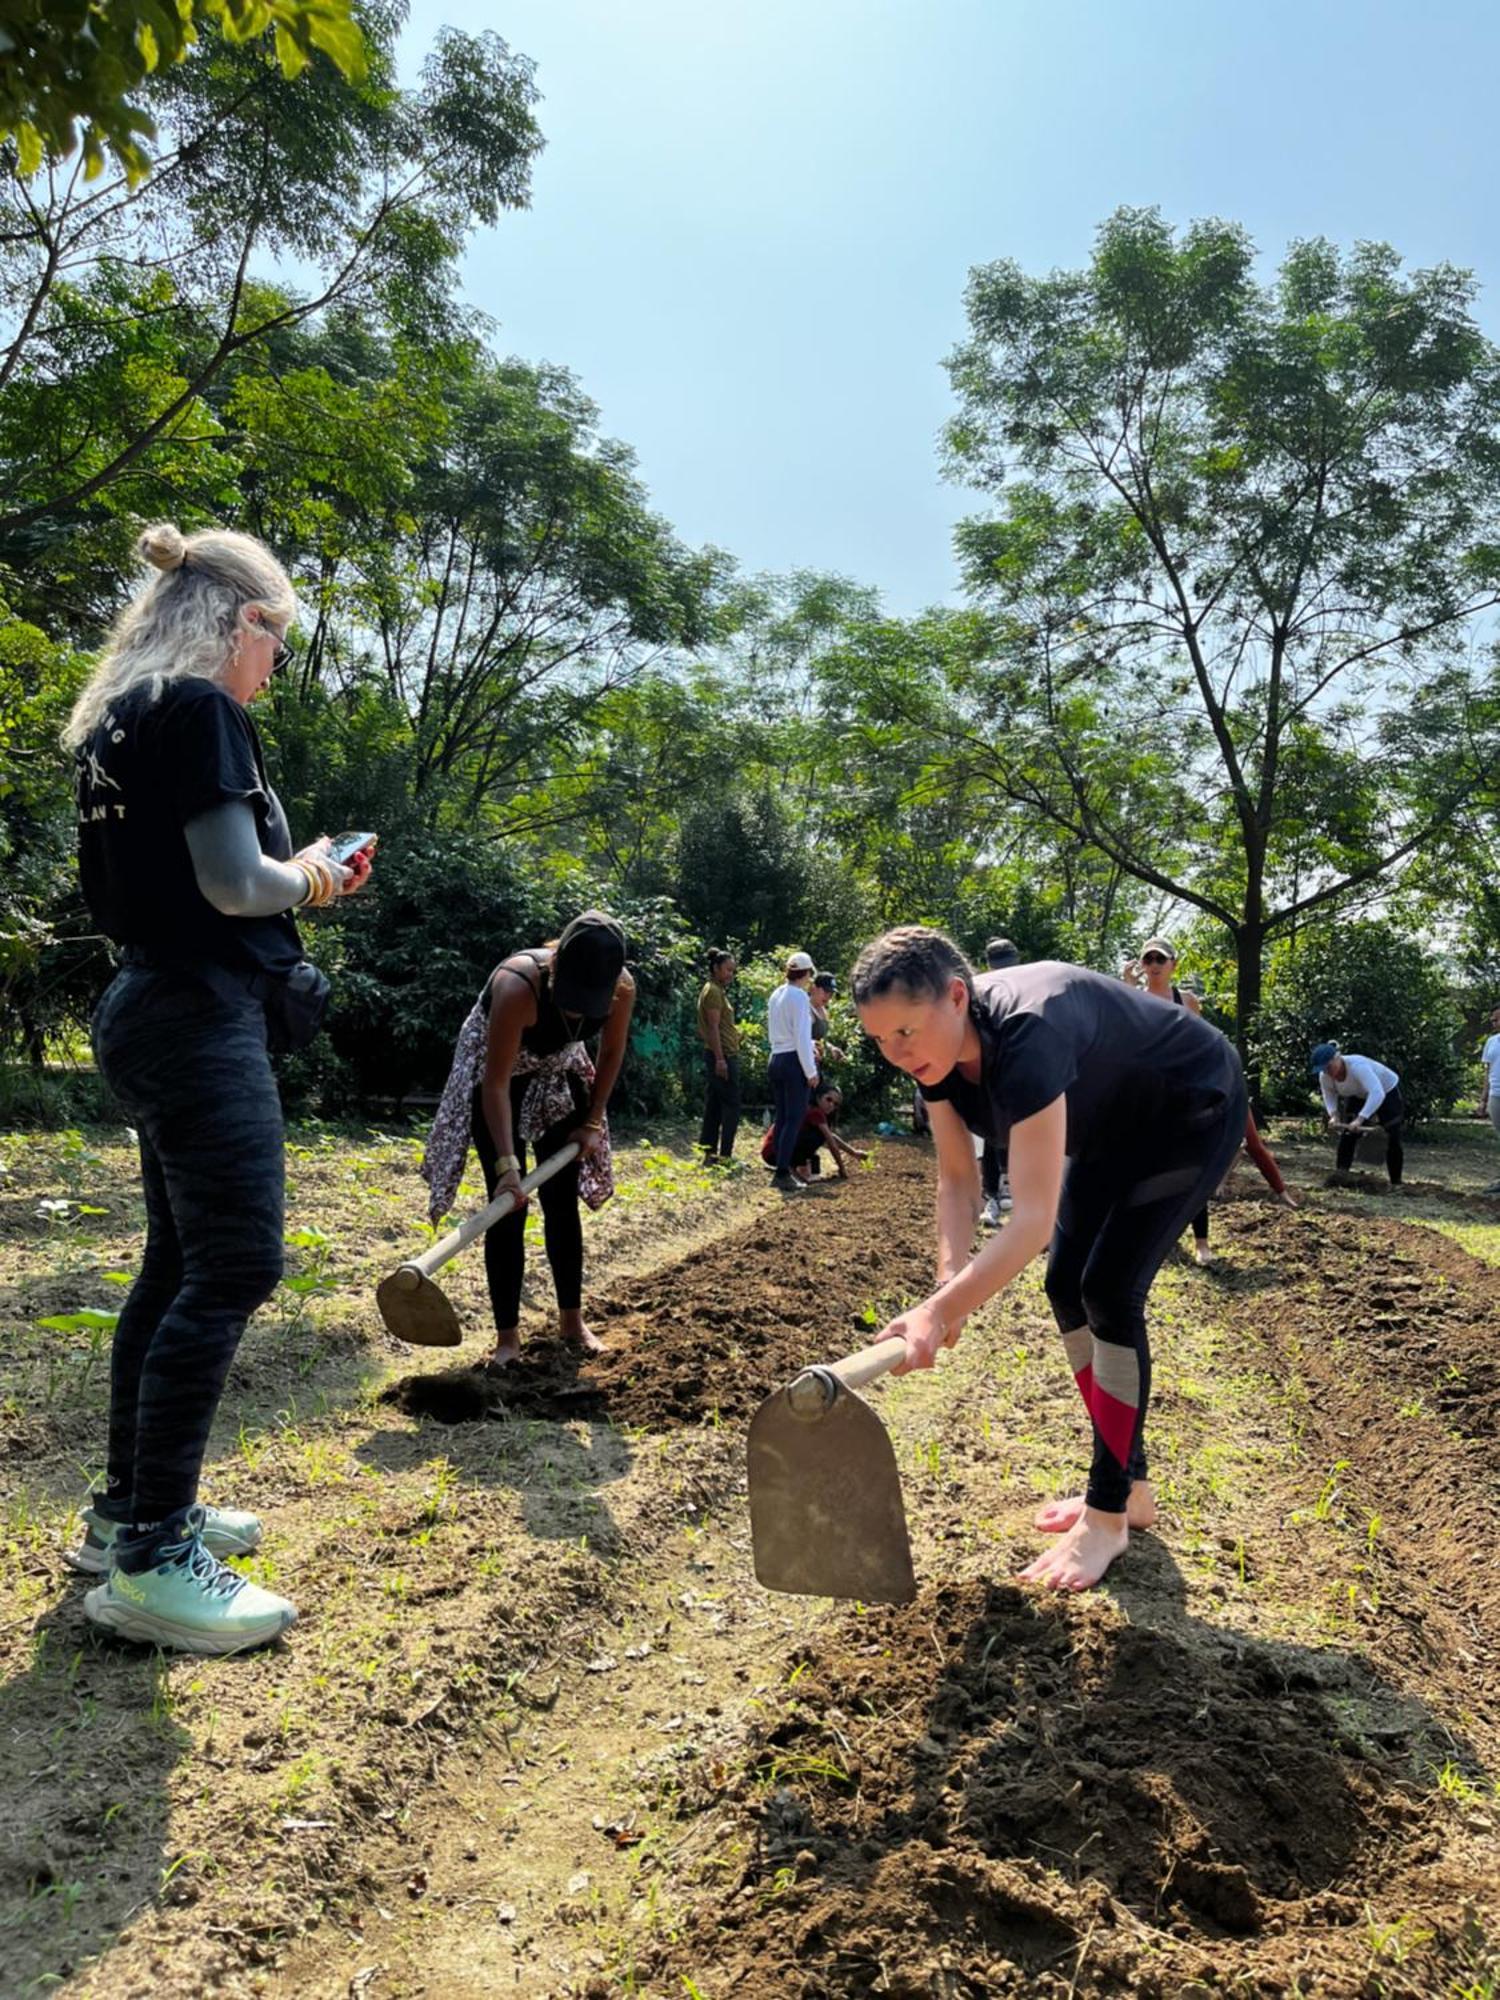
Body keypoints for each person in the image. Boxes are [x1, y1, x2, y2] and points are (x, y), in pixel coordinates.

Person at [60, 521, 372, 1655]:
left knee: (175, 1265)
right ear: (241, 620)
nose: (274, 669)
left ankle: (127, 1511)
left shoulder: (119, 718)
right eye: (275, 644)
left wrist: (296, 870)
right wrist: (320, 875)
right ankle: (151, 1560)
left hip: (147, 1003)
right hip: (197, 1015)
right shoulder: (203, 710)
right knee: (235, 1262)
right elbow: (240, 883)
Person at [853, 926, 1246, 1592]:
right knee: (1067, 1284)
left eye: (906, 1032)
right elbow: (957, 1179)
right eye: (880, 1040)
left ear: (956, 997)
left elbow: (1031, 1221)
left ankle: (1108, 1513)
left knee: (1109, 1288)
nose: (896, 1053)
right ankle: (1134, 1487)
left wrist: (939, 1312)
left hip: (1190, 1107)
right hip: (1111, 1127)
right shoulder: (938, 1062)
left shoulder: (1027, 1036)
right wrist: (948, 1289)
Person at [423, 912, 635, 1366]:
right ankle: (507, 1339)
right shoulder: (518, 986)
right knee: (508, 1210)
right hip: (499, 1076)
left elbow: (612, 1050)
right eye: (573, 998)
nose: (580, 1010)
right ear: (557, 968)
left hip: (558, 1069)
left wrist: (593, 1121)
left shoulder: (621, 986)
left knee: (561, 1200)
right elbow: (495, 1084)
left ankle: (572, 1323)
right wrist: (506, 1166)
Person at [1312, 1041, 1405, 1187]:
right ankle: (1340, 1177)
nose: (1327, 1072)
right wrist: (1334, 1115)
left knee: (1391, 1136)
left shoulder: (1358, 1067)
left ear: (1337, 1058)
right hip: (1357, 1094)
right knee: (1348, 1134)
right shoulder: (1324, 1075)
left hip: (1386, 1091)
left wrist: (1360, 1119)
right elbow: (1328, 1094)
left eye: (1329, 1067)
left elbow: (1377, 1093)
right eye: (1323, 1069)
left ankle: (1396, 1183)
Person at [766, 951, 821, 1195]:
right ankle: (782, 1172)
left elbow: (784, 1033)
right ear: (807, 973)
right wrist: (811, 1071)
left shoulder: (776, 994)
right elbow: (800, 1036)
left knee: (782, 1117)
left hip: (776, 1057)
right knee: (793, 1118)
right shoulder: (799, 997)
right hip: (792, 1063)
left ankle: (781, 1167)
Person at [980, 937, 1020, 1225]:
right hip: (988, 1069)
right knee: (990, 1132)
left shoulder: (1023, 987)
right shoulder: (979, 989)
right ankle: (991, 1195)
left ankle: (1010, 1187)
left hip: (1018, 1067)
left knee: (1015, 1132)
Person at [759, 1083, 868, 1180]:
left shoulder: (809, 1109)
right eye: (828, 1099)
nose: (831, 1105)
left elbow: (831, 1136)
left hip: (771, 1153)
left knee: (817, 1143)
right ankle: (791, 1169)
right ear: (818, 1097)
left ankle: (797, 1170)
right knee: (819, 1137)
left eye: (835, 1104)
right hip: (773, 1153)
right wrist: (842, 1169)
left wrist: (853, 1152)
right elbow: (831, 1142)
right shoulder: (816, 1112)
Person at [696, 948, 741, 1164]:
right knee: (731, 1105)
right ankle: (725, 1156)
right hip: (722, 1056)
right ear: (715, 968)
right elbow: (713, 1027)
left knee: (714, 1104)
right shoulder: (713, 991)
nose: (730, 974)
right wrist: (721, 1059)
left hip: (718, 1053)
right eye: (727, 970)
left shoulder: (714, 990)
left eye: (733, 971)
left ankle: (709, 1153)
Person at [809, 971, 846, 1086]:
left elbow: (820, 1040)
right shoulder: (804, 1008)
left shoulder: (824, 1011)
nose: (828, 997)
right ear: (814, 988)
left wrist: (831, 1048)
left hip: (816, 1065)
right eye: (825, 991)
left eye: (831, 993)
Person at [1480, 1005, 1500, 1193]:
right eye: (1493, 1020)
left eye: (1497, 1019)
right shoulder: (1491, 1042)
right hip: (1496, 1096)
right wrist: (1483, 1099)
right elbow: (1488, 1072)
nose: (1495, 1023)